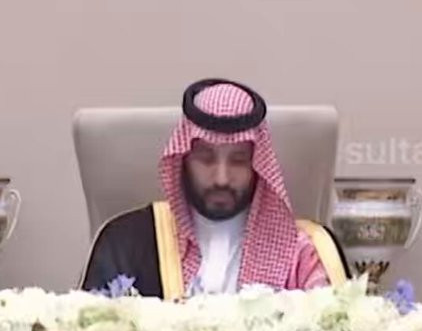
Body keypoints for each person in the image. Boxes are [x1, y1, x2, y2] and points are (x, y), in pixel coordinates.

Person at [79, 79, 348, 298]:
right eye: (206, 158)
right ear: (183, 159)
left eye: (238, 160)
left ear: (258, 165)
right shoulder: (126, 242)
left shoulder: (305, 254)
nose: (221, 178)